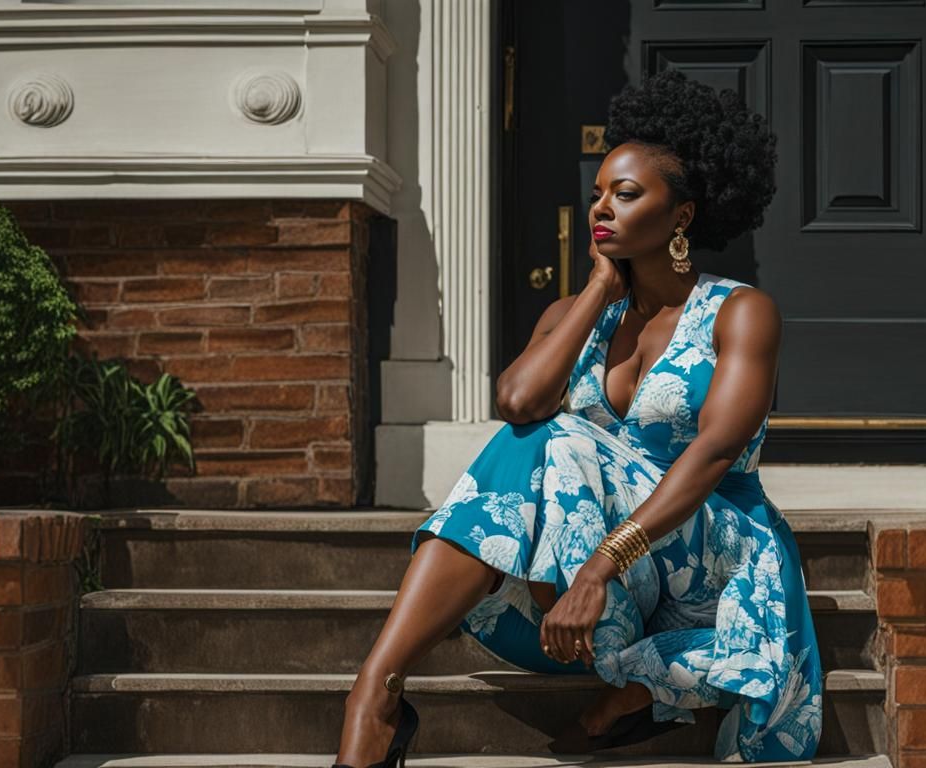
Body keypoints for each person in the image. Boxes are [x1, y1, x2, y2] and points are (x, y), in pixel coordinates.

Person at [332, 69, 822, 767]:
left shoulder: (740, 312)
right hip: (612, 570)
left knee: (559, 436)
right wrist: (596, 289)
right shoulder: (578, 314)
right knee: (530, 435)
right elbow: (515, 402)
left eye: (627, 194)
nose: (603, 209)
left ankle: (381, 700)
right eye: (597, 194)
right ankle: (376, 689)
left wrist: (597, 569)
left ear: (682, 215)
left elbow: (715, 452)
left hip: (709, 554)